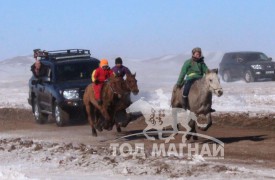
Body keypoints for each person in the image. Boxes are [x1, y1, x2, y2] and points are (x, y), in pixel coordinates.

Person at [176, 47, 215, 112]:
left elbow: (206, 71)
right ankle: (185, 104)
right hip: (191, 79)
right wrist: (179, 82)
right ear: (193, 54)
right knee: (186, 87)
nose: (198, 55)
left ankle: (208, 106)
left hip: (200, 79)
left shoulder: (201, 63)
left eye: (199, 54)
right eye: (197, 54)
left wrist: (211, 72)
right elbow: (183, 73)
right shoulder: (188, 62)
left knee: (209, 90)